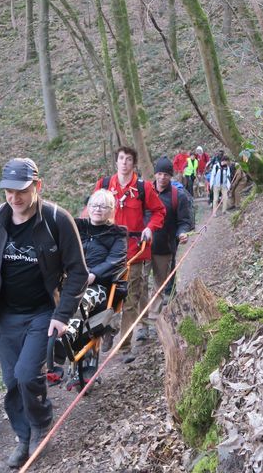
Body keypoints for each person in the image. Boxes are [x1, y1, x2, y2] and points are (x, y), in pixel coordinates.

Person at [0, 158, 88, 468]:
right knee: (11, 381)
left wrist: (62, 315)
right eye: (8, 191)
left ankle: (40, 425)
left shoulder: (56, 220)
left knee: (26, 375)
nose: (14, 198)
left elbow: (77, 271)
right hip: (7, 315)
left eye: (21, 190)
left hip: (43, 313)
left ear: (38, 186)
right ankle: (23, 437)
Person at [94, 146, 165, 363]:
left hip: (135, 250)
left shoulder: (143, 188)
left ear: (134, 164)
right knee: (106, 297)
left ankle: (124, 347)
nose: (124, 162)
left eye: (129, 159)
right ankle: (108, 328)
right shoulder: (105, 185)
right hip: (107, 252)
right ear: (116, 162)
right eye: (121, 158)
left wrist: (149, 228)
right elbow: (91, 209)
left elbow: (159, 211)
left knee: (132, 298)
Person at [74, 189, 127, 349]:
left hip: (100, 285)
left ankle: (76, 343)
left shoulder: (117, 234)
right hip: (72, 280)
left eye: (103, 206)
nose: (98, 209)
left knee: (78, 303)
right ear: (88, 208)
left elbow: (114, 260)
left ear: (111, 210)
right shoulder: (77, 226)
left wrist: (94, 274)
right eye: (94, 205)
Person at [142, 157, 191, 329]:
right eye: (160, 173)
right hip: (142, 248)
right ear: (155, 174)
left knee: (159, 287)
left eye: (166, 174)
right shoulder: (144, 191)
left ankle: (154, 322)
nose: (162, 177)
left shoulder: (178, 196)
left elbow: (184, 221)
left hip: (165, 248)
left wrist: (182, 233)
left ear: (171, 176)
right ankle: (142, 326)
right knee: (139, 286)